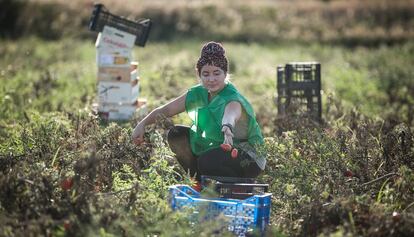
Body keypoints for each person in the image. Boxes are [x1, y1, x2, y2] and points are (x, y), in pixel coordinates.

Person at [131, 41, 265, 187]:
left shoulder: (232, 97)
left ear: (225, 73)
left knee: (207, 161)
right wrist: (142, 124)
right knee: (176, 134)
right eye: (205, 74)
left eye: (216, 73)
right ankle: (199, 184)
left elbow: (231, 113)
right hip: (219, 147)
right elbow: (166, 111)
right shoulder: (198, 93)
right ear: (199, 74)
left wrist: (227, 127)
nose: (211, 79)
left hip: (248, 157)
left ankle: (228, 189)